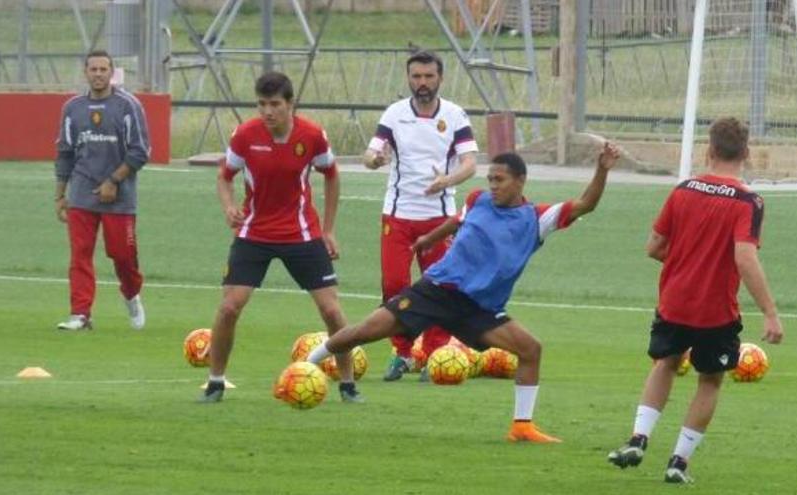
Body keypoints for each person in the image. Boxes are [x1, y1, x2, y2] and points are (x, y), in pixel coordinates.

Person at [308, 147, 620, 442]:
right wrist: (428, 239)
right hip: (436, 292)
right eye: (491, 180)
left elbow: (585, 204)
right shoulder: (477, 199)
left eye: (500, 180)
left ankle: (522, 427)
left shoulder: (537, 219)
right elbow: (456, 222)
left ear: (520, 181)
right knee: (363, 332)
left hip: (479, 309)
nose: (493, 186)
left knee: (530, 349)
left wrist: (601, 170)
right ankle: (308, 365)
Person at [607, 117, 784, 483]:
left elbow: (654, 247)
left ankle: (638, 439)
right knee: (710, 380)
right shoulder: (749, 201)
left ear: (709, 149)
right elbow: (744, 257)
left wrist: (685, 262)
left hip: (674, 301)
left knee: (666, 363)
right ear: (747, 152)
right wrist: (770, 312)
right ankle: (678, 463)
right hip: (714, 310)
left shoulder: (683, 189)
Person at [200, 71, 362, 403]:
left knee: (332, 312)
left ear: (291, 104)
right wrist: (229, 206)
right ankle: (215, 382)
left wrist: (328, 230)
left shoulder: (312, 136)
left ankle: (347, 384)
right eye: (261, 104)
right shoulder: (245, 135)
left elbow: (331, 175)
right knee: (229, 307)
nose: (268, 112)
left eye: (274, 104)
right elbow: (224, 176)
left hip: (301, 234)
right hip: (254, 234)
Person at [363, 50, 478, 382]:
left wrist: (448, 179)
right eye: (416, 76)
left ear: (440, 78)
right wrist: (375, 160)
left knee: (441, 287)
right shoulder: (395, 114)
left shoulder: (455, 115)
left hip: (439, 218)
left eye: (428, 76)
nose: (422, 83)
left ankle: (434, 355)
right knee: (395, 286)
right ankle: (401, 352)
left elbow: (470, 163)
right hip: (398, 215)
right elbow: (372, 152)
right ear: (409, 78)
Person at [54, 49, 150, 331]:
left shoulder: (128, 106)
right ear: (85, 72)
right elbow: (65, 152)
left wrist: (113, 181)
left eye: (103, 69)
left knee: (123, 256)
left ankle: (131, 294)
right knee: (80, 254)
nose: (98, 74)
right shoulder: (72, 108)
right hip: (82, 193)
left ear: (112, 73)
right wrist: (61, 194)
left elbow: (139, 152)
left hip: (119, 198)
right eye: (93, 69)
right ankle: (80, 314)